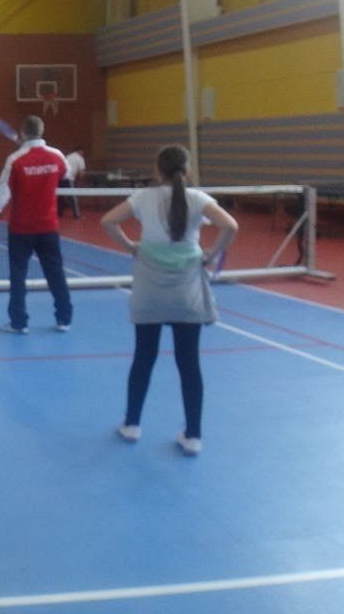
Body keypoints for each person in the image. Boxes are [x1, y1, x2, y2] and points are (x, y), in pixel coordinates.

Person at [100, 144, 238, 457]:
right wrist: (212, 254)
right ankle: (193, 436)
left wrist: (130, 246)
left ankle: (131, 424)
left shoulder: (142, 198)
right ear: (187, 170)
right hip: (186, 291)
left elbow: (107, 221)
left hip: (150, 290)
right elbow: (230, 225)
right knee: (189, 363)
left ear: (157, 169)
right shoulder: (199, 199)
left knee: (143, 357)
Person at [0, 116, 72, 334]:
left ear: (23, 133)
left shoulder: (15, 159)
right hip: (48, 227)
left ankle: (19, 323)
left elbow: (3, 192)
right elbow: (66, 173)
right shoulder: (57, 156)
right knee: (56, 274)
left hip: (21, 230)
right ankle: (64, 319)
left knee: (18, 277)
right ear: (41, 130)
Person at [58, 146, 86, 219]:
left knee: (60, 196)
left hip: (60, 178)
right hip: (69, 178)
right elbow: (82, 172)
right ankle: (77, 215)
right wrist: (80, 182)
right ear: (80, 151)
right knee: (73, 197)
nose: (83, 153)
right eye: (82, 151)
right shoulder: (80, 158)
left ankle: (59, 213)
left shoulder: (68, 156)